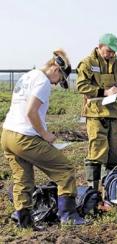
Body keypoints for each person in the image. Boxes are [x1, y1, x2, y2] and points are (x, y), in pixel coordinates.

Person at [1, 49, 86, 228]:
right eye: (60, 80)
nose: (56, 84)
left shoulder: (29, 75)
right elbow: (31, 112)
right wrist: (45, 134)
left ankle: (25, 223)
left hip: (8, 134)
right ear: (56, 69)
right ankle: (68, 216)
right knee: (65, 170)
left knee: (23, 179)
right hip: (25, 137)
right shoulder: (43, 81)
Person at [76, 33, 117, 191]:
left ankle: (110, 189)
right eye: (108, 51)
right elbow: (81, 86)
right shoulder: (87, 63)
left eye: (114, 52)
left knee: (114, 152)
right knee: (97, 151)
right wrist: (104, 92)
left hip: (113, 113)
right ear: (99, 47)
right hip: (95, 114)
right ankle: (92, 191)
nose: (111, 54)